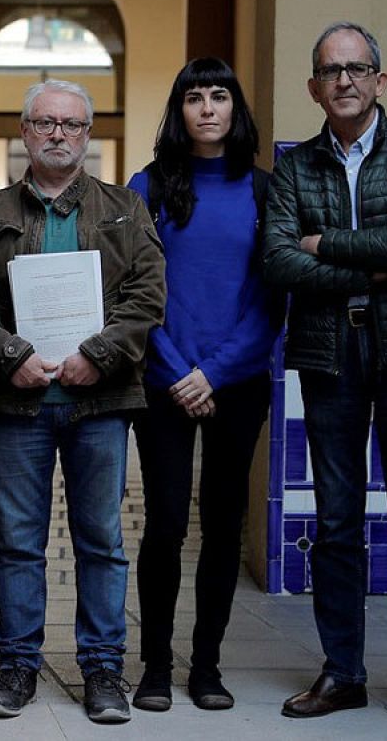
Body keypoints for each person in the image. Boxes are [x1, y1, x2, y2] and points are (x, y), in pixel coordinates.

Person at [261, 21, 387, 722]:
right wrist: (377, 258)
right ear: (313, 86)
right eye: (330, 70)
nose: (344, 80)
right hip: (327, 357)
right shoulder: (294, 167)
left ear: (381, 79)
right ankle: (342, 672)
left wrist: (328, 246)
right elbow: (279, 259)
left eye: (357, 67)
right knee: (338, 522)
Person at [0, 79, 166, 725]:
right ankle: (17, 665)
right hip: (16, 402)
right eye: (46, 123)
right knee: (18, 541)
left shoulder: (125, 209)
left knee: (101, 538)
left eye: (73, 125)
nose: (59, 134)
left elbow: (147, 296)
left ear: (89, 136)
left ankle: (103, 669)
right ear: (25, 132)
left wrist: (98, 356)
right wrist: (10, 356)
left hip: (98, 402)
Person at [124, 59, 279, 714]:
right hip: (163, 381)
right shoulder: (149, 185)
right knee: (163, 525)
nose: (208, 108)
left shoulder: (268, 190)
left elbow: (274, 299)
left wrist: (213, 372)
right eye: (195, 97)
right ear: (179, 109)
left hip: (237, 381)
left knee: (222, 527)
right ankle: (155, 667)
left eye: (220, 96)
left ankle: (207, 667)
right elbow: (132, 288)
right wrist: (179, 370)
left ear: (235, 108)